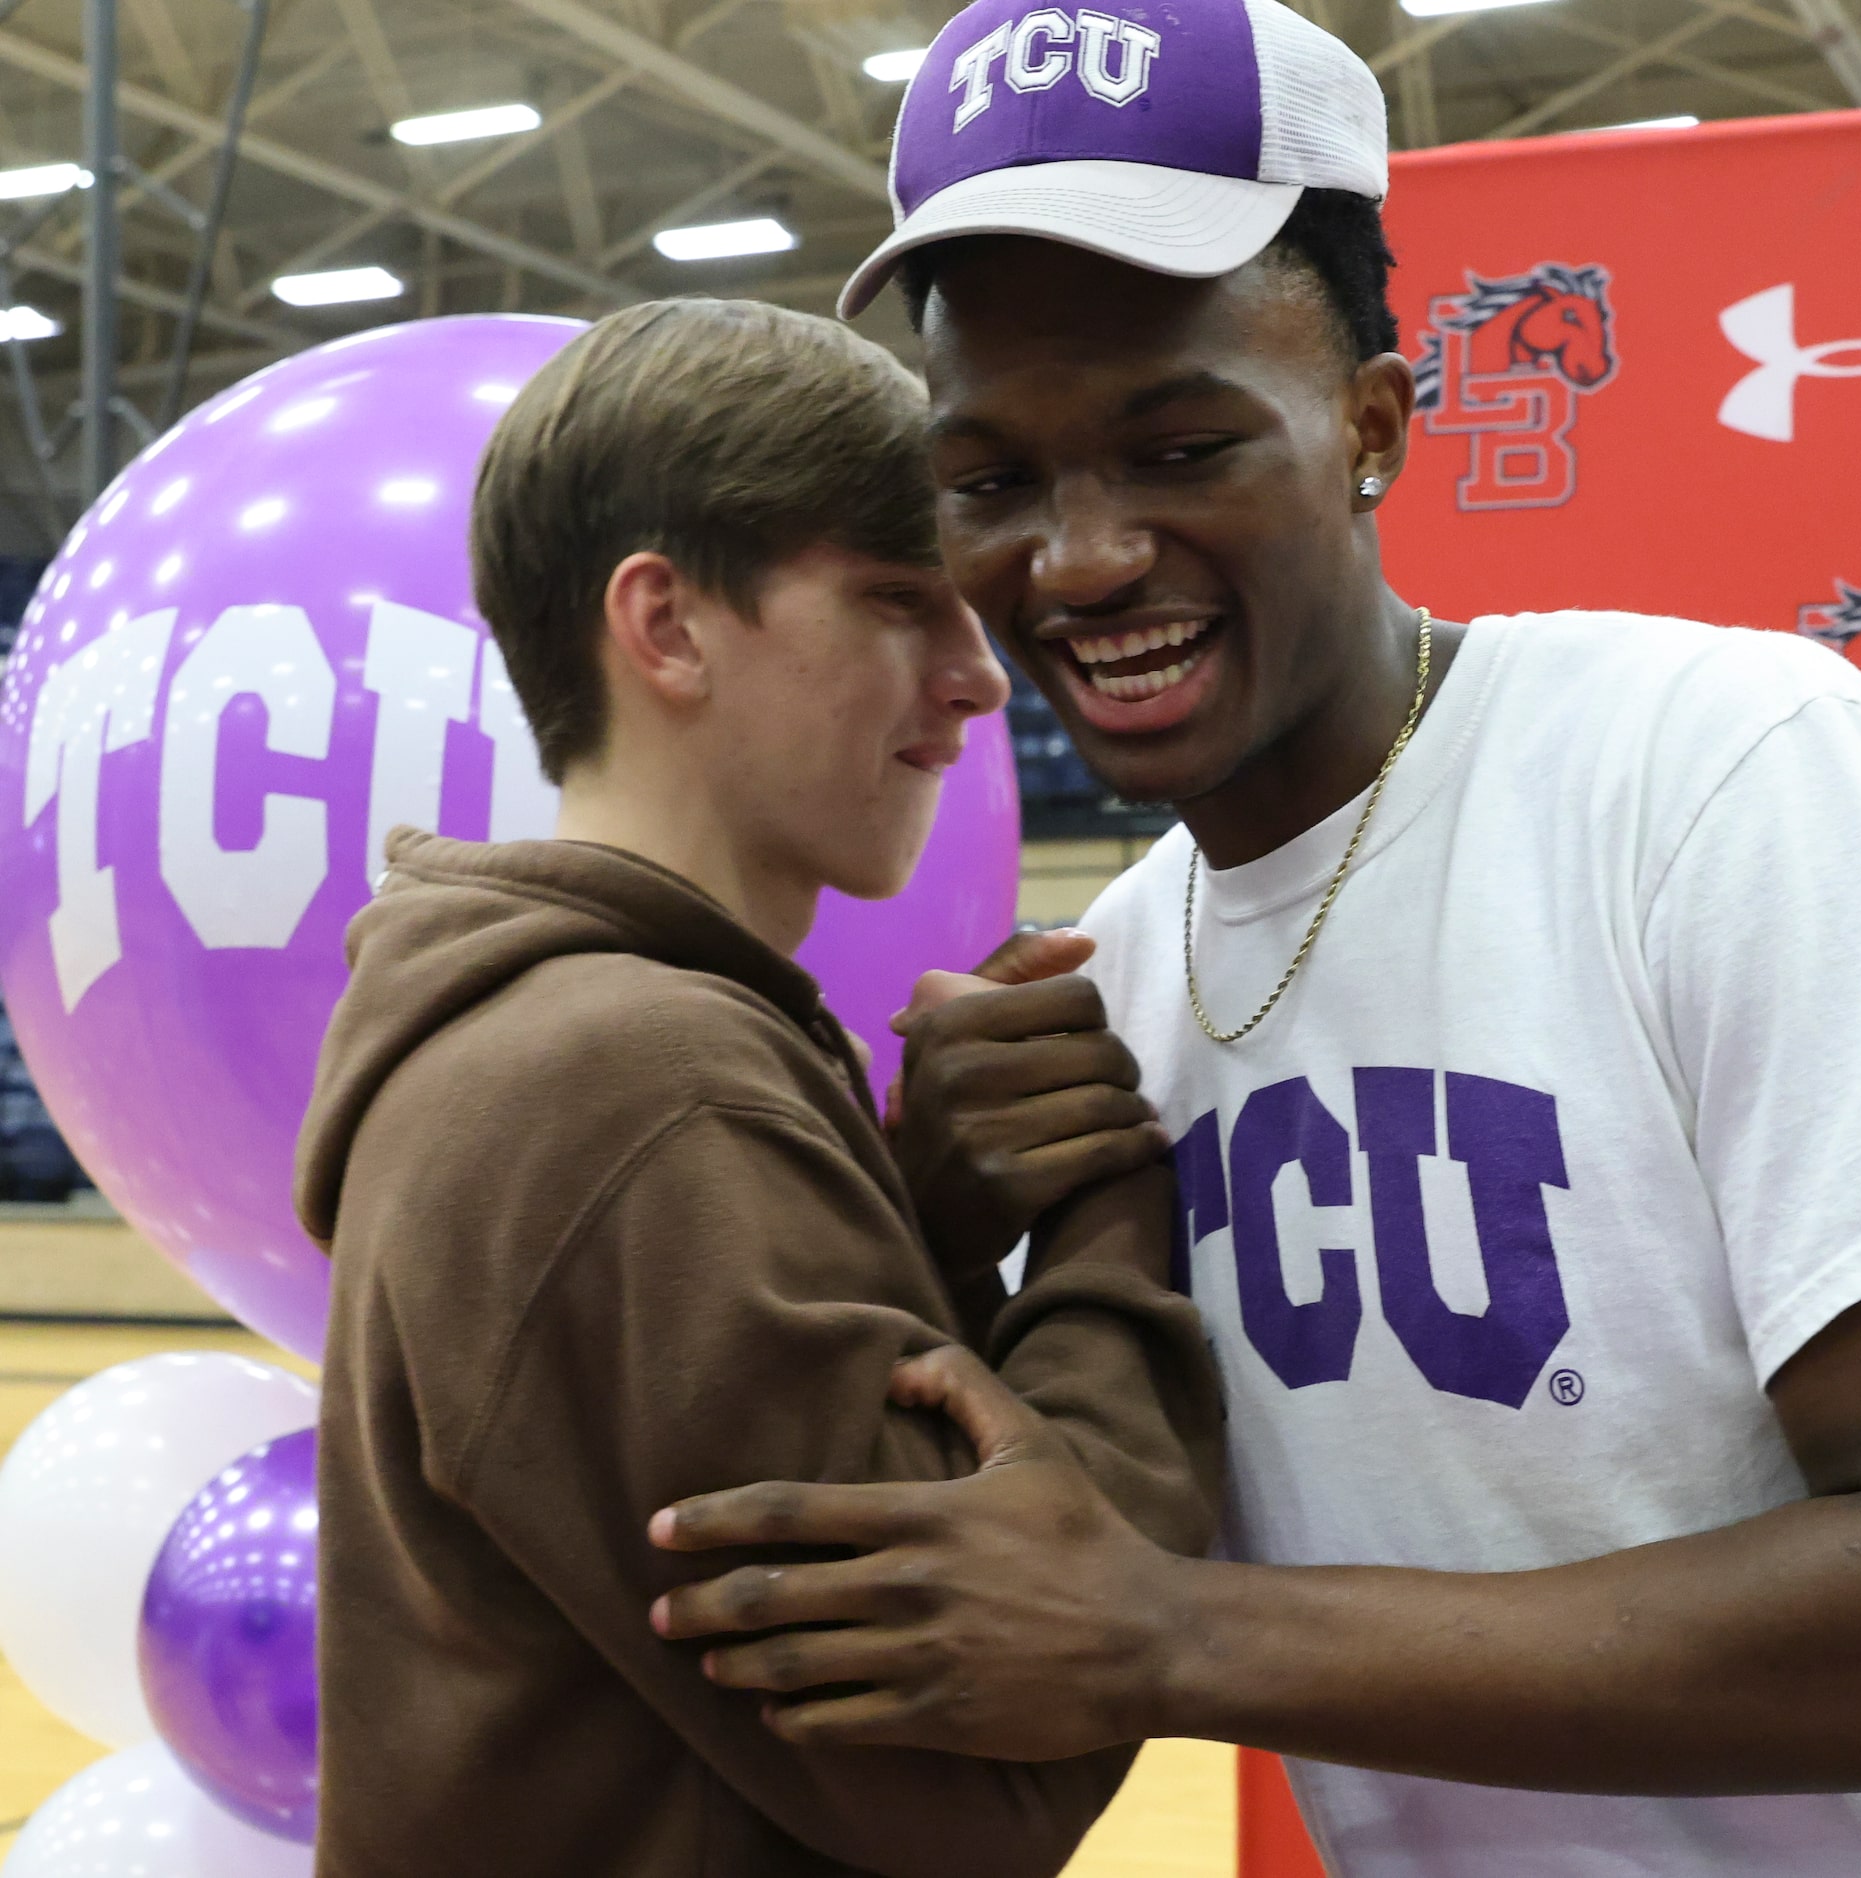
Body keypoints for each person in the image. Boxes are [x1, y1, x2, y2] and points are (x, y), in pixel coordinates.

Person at [645, 6, 1861, 1874]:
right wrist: (932, 1218)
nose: (1081, 558)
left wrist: (1170, 1640)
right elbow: (984, 1580)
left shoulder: (1711, 770)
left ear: (1369, 423)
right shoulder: (1096, 999)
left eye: (1178, 444)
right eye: (991, 482)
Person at [292, 297, 1223, 1878]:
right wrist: (1106, 1214)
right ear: (664, 625)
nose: (977, 678)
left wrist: (930, 1211)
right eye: (893, 602)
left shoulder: (561, 1040)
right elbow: (990, 1777)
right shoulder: (640, 1088)